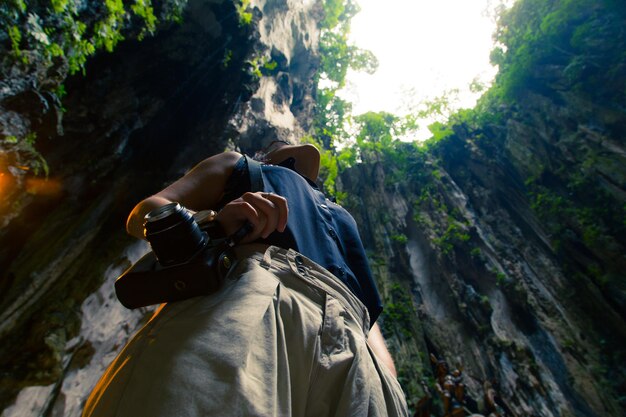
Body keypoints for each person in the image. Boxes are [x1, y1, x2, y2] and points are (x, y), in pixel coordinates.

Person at [83, 140, 409, 416]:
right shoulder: (243, 167)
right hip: (261, 287)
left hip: (355, 339)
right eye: (283, 151)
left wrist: (386, 381)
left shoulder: (339, 215)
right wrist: (211, 224)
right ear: (266, 156)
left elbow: (365, 306)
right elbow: (147, 211)